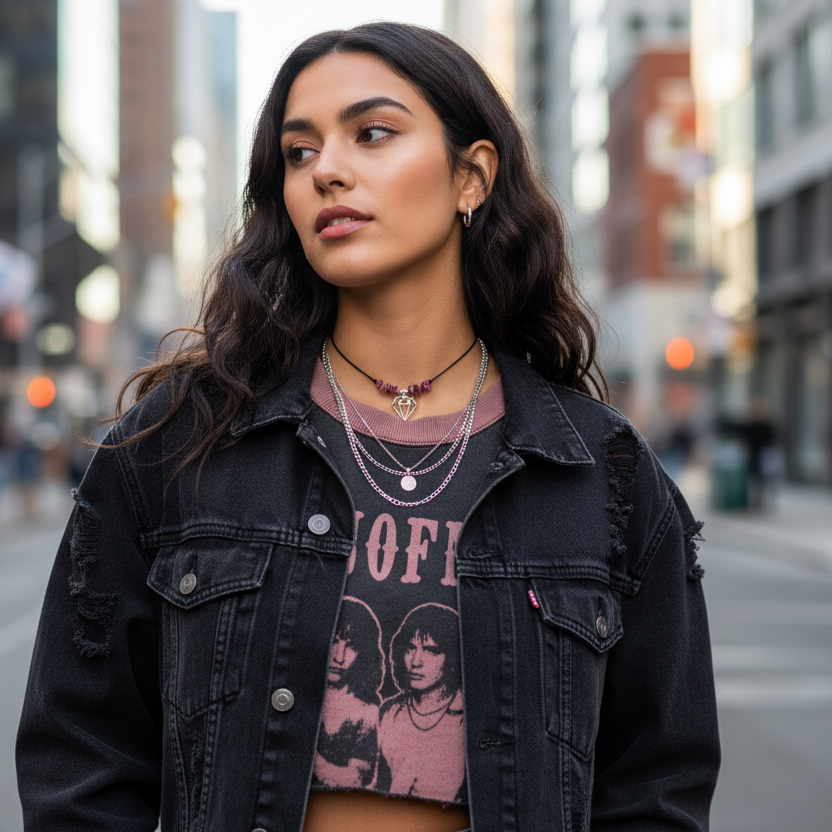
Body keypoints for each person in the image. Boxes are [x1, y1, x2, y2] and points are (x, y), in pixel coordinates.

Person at [16, 20, 720, 832]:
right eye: (299, 152)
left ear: (471, 176)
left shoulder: (603, 476)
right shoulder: (179, 446)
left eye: (373, 133)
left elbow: (656, 788)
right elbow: (82, 759)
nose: (327, 170)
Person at [376, 604, 465, 803]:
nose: (416, 661)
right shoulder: (390, 712)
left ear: (452, 658)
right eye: (410, 648)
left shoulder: (467, 718)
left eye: (431, 650)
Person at [313, 596, 385, 790]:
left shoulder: (367, 711)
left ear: (364, 653)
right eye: (334, 641)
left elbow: (355, 780)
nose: (339, 657)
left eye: (351, 646)